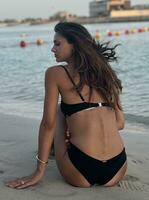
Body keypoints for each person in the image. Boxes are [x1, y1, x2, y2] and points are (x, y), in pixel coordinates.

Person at [5, 22, 127, 189]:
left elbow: (48, 124)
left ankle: (56, 149)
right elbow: (120, 124)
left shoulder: (55, 73)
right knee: (74, 111)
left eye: (57, 43)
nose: (52, 49)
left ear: (75, 45)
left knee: (60, 110)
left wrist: (39, 172)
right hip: (118, 168)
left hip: (80, 169)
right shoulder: (106, 73)